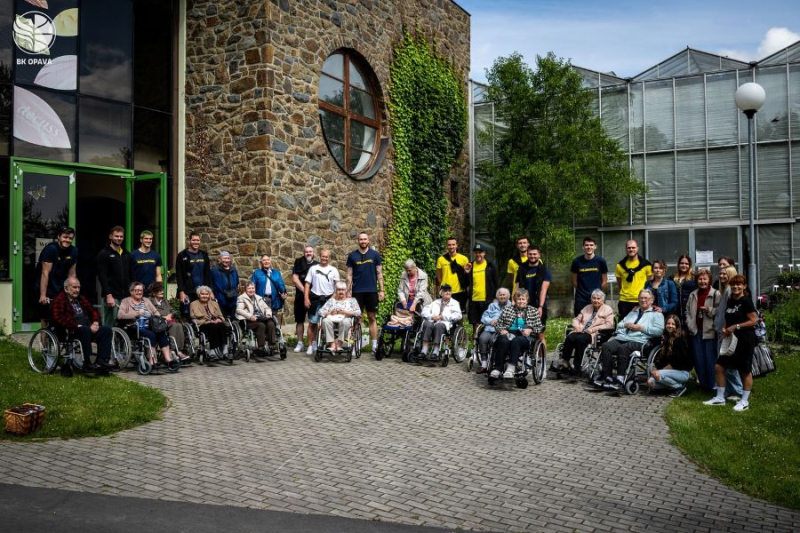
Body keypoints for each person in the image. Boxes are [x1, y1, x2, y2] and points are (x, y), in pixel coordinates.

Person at [703, 275, 757, 411]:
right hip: (730, 340)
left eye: (739, 284)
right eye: (733, 285)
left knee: (744, 370)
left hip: (744, 340)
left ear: (744, 286)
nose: (736, 287)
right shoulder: (730, 300)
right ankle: (720, 398)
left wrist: (736, 327)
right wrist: (725, 328)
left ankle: (744, 401)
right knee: (719, 366)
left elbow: (753, 321)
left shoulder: (746, 301)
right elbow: (729, 318)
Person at [593, 289, 664, 391]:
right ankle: (607, 377)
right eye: (641, 298)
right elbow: (620, 324)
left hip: (641, 341)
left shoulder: (657, 314)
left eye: (646, 298)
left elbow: (659, 331)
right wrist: (626, 325)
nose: (643, 300)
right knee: (606, 346)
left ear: (652, 300)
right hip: (623, 338)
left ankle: (620, 380)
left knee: (623, 348)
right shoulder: (633, 311)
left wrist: (641, 328)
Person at [50, 276, 112, 373]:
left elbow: (93, 311)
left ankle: (101, 361)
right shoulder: (59, 300)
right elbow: (58, 318)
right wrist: (75, 325)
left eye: (78, 287)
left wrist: (95, 322)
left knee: (106, 330)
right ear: (66, 288)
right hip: (69, 331)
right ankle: (87, 363)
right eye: (74, 287)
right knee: (85, 330)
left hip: (85, 328)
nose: (77, 290)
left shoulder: (80, 298)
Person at [118, 282, 179, 372]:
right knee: (151, 335)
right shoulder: (125, 301)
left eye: (141, 290)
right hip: (135, 326)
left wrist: (157, 319)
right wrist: (135, 314)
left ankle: (168, 359)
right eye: (137, 290)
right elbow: (120, 315)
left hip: (150, 325)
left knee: (161, 332)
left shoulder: (146, 300)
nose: (139, 292)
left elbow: (156, 312)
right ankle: (152, 360)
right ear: (131, 292)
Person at [553, 289, 614, 375]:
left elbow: (609, 325)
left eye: (598, 298)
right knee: (570, 337)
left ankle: (577, 366)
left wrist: (594, 329)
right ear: (591, 299)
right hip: (581, 330)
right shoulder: (587, 308)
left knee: (580, 340)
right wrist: (577, 326)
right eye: (594, 298)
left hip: (594, 334)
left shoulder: (608, 309)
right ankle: (565, 362)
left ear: (602, 300)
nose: (595, 300)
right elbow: (576, 319)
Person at [490, 288, 543, 379]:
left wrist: (530, 330)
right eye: (519, 299)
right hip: (508, 333)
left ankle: (511, 367)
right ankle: (498, 368)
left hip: (524, 336)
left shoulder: (533, 311)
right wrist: (501, 330)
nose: (521, 301)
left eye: (523, 299)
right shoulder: (508, 310)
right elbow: (498, 324)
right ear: (515, 300)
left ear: (527, 300)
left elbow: (540, 327)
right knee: (502, 339)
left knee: (517, 340)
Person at [346, 232, 385, 353]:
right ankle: (354, 345)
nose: (363, 241)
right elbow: (349, 275)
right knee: (356, 318)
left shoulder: (375, 255)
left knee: (372, 317)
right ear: (358, 241)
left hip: (372, 291)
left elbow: (379, 274)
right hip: (357, 292)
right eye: (361, 239)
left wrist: (382, 290)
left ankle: (374, 345)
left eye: (365, 239)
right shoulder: (352, 256)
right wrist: (348, 291)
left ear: (368, 240)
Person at [713, 265, 745, 399]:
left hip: (727, 332)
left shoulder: (729, 291)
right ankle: (729, 390)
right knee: (725, 363)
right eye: (720, 274)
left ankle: (737, 391)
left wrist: (727, 328)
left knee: (728, 363)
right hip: (723, 330)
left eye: (725, 274)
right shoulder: (725, 290)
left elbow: (730, 313)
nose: (721, 276)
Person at [685, 268, 720, 391]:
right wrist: (690, 326)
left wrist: (709, 310)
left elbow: (720, 312)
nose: (702, 281)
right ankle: (703, 384)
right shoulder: (693, 294)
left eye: (705, 279)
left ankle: (712, 384)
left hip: (709, 331)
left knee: (710, 358)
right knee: (698, 358)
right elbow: (688, 312)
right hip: (696, 331)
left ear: (709, 280)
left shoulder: (715, 293)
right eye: (700, 279)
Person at [35, 226, 77, 326]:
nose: (67, 240)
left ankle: (59, 339)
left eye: (70, 238)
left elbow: (72, 274)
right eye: (65, 237)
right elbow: (45, 273)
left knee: (62, 315)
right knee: (46, 317)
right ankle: (44, 341)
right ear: (59, 237)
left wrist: (72, 291)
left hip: (61, 286)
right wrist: (43, 295)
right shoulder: (51, 250)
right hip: (46, 286)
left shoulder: (74, 251)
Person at [647, 315, 693, 397]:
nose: (670, 326)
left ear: (677, 326)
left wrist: (662, 370)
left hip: (682, 372)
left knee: (657, 374)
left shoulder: (680, 339)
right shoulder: (666, 338)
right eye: (668, 323)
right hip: (669, 372)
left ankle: (679, 387)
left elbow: (680, 360)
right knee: (650, 383)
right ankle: (670, 387)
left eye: (673, 324)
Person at [96, 225, 133, 327]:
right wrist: (108, 295)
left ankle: (120, 343)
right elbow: (102, 276)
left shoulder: (126, 254)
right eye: (116, 236)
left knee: (124, 324)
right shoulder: (103, 254)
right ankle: (107, 343)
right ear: (110, 237)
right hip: (111, 296)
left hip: (125, 296)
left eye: (121, 236)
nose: (119, 238)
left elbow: (131, 275)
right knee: (109, 324)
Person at [304, 249, 339, 355]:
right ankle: (311, 345)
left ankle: (330, 346)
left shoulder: (333, 270)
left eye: (326, 257)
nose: (324, 258)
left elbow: (337, 286)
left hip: (329, 299)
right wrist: (306, 298)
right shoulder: (313, 269)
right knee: (312, 323)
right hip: (315, 299)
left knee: (330, 323)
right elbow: (307, 284)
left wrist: (334, 297)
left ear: (329, 258)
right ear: (320, 256)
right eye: (323, 256)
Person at [147, 281, 191, 365]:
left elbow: (172, 310)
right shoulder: (149, 301)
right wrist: (164, 317)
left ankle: (178, 350)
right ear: (153, 292)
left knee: (179, 325)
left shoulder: (164, 300)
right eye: (159, 290)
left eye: (162, 290)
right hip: (157, 323)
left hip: (168, 320)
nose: (162, 292)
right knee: (174, 326)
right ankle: (173, 350)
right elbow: (150, 313)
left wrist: (171, 314)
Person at [516, 246, 551, 342]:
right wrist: (515, 302)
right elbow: (517, 287)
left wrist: (540, 306)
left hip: (538, 304)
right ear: (527, 255)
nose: (532, 256)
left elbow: (544, 289)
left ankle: (543, 356)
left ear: (539, 255)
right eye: (530, 254)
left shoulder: (544, 269)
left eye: (535, 254)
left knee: (540, 334)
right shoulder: (522, 268)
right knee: (521, 331)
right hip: (524, 305)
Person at [466, 244, 499, 344]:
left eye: (480, 252)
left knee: (487, 323)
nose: (478, 254)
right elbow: (466, 283)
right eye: (476, 252)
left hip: (487, 300)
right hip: (474, 300)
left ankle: (486, 346)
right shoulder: (471, 265)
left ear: (484, 253)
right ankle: (475, 348)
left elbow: (496, 281)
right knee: (475, 325)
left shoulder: (490, 265)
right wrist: (467, 273)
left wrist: (495, 297)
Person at [419, 284, 462, 359]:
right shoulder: (435, 302)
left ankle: (436, 351)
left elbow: (458, 316)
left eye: (449, 291)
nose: (448, 292)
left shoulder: (455, 303)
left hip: (446, 323)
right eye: (445, 291)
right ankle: (424, 350)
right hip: (433, 321)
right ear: (441, 293)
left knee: (439, 326)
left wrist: (443, 316)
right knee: (427, 324)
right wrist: (432, 317)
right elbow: (424, 311)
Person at [236, 281, 277, 359]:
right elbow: (239, 310)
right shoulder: (241, 298)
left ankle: (272, 345)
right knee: (261, 325)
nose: (251, 290)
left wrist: (268, 313)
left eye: (253, 288)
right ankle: (260, 347)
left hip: (261, 318)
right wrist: (250, 316)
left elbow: (267, 308)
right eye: (249, 288)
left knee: (271, 323)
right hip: (249, 321)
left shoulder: (258, 297)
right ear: (245, 290)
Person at [189, 285, 230, 364]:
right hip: (203, 325)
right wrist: (209, 322)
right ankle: (212, 352)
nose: (205, 296)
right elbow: (194, 319)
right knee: (213, 326)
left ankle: (225, 351)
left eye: (206, 294)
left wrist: (219, 319)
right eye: (202, 294)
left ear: (209, 295)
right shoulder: (193, 304)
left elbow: (221, 316)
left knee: (222, 325)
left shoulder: (214, 303)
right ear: (199, 295)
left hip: (216, 324)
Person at [476, 288, 512, 374]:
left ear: (508, 296)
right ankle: (484, 364)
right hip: (489, 328)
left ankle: (495, 363)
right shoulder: (492, 305)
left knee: (494, 341)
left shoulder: (511, 306)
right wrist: (490, 321)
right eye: (500, 295)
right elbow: (484, 317)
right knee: (482, 338)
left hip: (501, 330)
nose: (502, 296)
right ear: (497, 296)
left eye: (504, 295)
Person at [318, 282, 362, 352]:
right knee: (325, 321)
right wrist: (330, 313)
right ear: (335, 291)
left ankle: (339, 344)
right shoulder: (331, 301)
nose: (341, 292)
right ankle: (332, 344)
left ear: (346, 291)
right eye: (339, 290)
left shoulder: (352, 300)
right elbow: (320, 311)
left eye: (343, 290)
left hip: (346, 319)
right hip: (331, 319)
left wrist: (345, 312)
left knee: (345, 322)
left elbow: (358, 312)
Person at [570, 237, 608, 316]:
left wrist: (598, 295)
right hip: (581, 299)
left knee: (597, 322)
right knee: (580, 321)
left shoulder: (601, 261)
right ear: (583, 247)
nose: (589, 247)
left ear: (595, 247)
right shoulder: (576, 262)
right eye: (586, 245)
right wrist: (582, 291)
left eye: (591, 245)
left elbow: (604, 281)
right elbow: (574, 281)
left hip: (596, 299)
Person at [615, 239, 652, 319]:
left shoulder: (646, 265)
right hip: (625, 300)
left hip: (641, 300)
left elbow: (650, 283)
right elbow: (619, 283)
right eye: (629, 248)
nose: (631, 249)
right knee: (624, 325)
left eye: (633, 247)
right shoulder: (620, 265)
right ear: (626, 249)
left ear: (637, 248)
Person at [291, 245, 318, 353]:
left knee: (314, 321)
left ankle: (314, 343)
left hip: (314, 297)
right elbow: (294, 278)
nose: (308, 253)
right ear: (304, 253)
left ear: (314, 253)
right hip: (300, 296)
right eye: (306, 252)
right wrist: (305, 291)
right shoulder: (298, 262)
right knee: (299, 320)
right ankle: (300, 343)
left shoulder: (317, 265)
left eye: (310, 251)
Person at [436, 236, 469, 315]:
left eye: (453, 244)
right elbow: (439, 277)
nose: (451, 247)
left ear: (456, 245)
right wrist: (440, 289)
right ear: (447, 246)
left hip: (459, 292)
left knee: (459, 315)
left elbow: (467, 276)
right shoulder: (441, 259)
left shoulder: (464, 259)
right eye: (449, 245)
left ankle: (460, 327)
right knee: (444, 314)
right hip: (445, 292)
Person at [176, 232, 212, 304]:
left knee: (203, 314)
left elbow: (208, 274)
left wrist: (210, 291)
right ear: (189, 241)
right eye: (193, 240)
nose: (196, 242)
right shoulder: (182, 255)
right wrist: (181, 291)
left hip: (203, 292)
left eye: (197, 240)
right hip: (188, 291)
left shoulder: (204, 255)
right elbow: (179, 275)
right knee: (188, 314)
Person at [130, 230, 162, 295]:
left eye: (150, 239)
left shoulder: (156, 255)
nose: (148, 241)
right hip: (137, 291)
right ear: (141, 240)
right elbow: (129, 275)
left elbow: (158, 275)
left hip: (152, 291)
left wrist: (159, 289)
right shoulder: (133, 255)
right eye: (146, 238)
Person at [211, 251, 240, 317]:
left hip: (233, 298)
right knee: (222, 318)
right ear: (220, 259)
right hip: (221, 298)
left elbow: (237, 283)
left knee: (232, 318)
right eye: (224, 258)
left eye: (228, 258)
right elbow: (210, 284)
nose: (226, 260)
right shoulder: (214, 270)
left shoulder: (233, 270)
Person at [673, 254, 697, 321]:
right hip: (676, 311)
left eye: (686, 264)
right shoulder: (672, 277)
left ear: (689, 265)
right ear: (678, 264)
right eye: (682, 263)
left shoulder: (694, 277)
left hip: (690, 311)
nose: (684, 265)